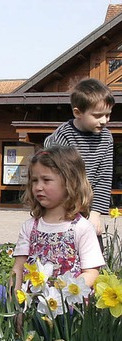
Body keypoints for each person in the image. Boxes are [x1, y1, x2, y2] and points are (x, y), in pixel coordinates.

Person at [12, 146, 105, 292]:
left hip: (69, 307)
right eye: (35, 181)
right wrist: (15, 304)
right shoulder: (30, 227)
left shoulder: (82, 227)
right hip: (34, 306)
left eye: (46, 180)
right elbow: (18, 269)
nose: (38, 187)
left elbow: (92, 273)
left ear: (70, 183)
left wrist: (64, 293)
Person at [44, 78, 115, 238]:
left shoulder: (106, 138)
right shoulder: (64, 136)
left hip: (89, 207)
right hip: (62, 206)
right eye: (97, 116)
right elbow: (58, 177)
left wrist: (96, 213)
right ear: (78, 113)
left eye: (108, 115)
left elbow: (104, 177)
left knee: (92, 253)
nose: (104, 121)